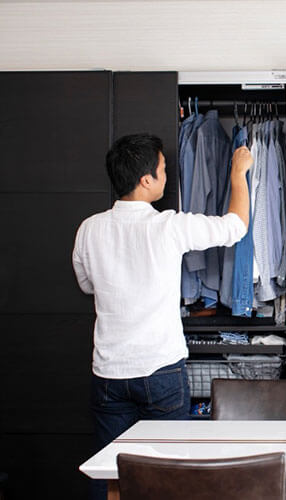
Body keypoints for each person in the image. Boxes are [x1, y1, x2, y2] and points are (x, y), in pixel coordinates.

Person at [72, 133, 252, 500]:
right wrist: (238, 173)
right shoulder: (169, 226)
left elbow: (87, 284)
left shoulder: (89, 229)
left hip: (109, 374)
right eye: (164, 169)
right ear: (146, 180)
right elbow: (235, 226)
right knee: (170, 476)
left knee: (108, 473)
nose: (167, 176)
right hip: (161, 372)